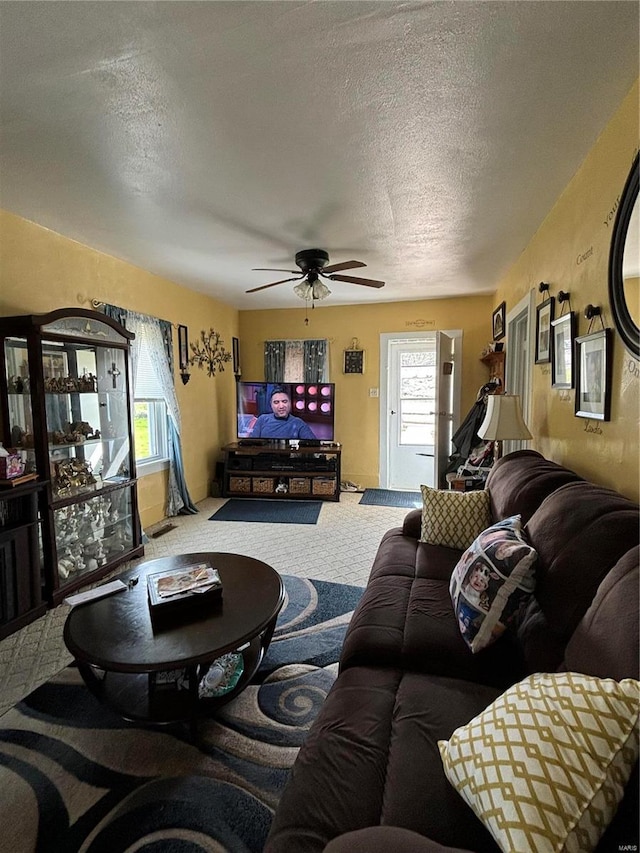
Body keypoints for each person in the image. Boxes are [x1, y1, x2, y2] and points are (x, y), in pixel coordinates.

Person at [250, 386, 317, 439]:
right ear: (271, 404)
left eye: (284, 401)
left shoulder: (298, 422)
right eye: (276, 402)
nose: (281, 406)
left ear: (290, 403)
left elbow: (314, 445)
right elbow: (252, 443)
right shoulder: (262, 419)